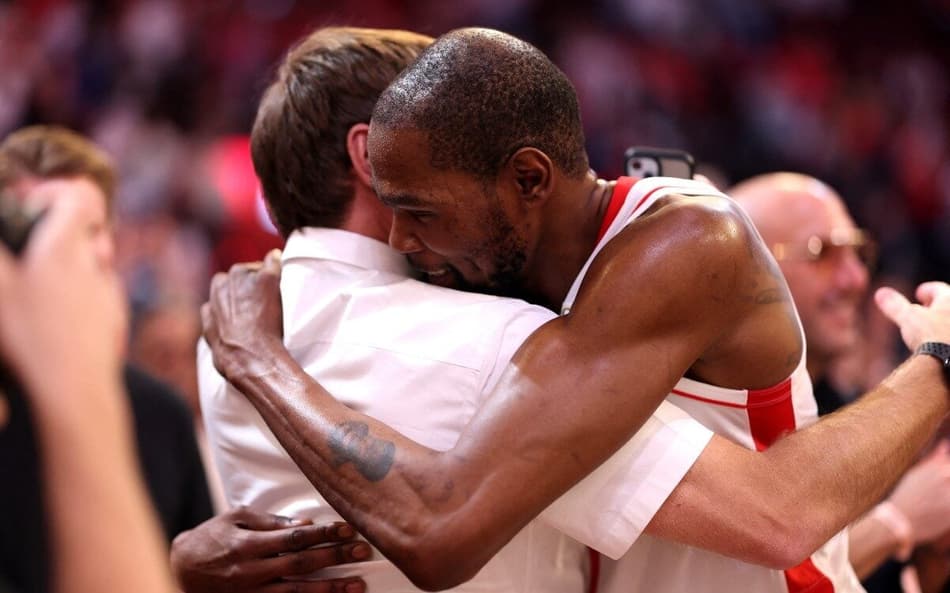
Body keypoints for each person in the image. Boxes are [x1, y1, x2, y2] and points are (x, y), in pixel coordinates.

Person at [200, 28, 950, 593]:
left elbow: (438, 526)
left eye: (419, 210)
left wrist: (256, 359)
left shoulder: (679, 245)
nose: (399, 237)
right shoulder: (501, 259)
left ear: (528, 179)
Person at [0, 126, 213, 591]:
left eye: (87, 230)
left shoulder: (161, 414)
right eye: (35, 228)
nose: (59, 254)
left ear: (112, 246)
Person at [731, 172, 950, 592]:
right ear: (745, 266)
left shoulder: (856, 411)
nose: (855, 279)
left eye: (858, 253)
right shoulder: (703, 416)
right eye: (823, 254)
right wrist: (894, 524)